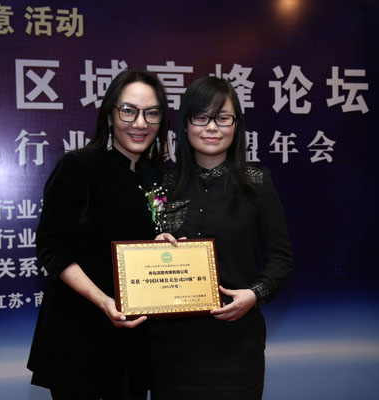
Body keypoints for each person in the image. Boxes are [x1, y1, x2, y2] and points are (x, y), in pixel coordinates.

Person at [27, 69, 169, 399]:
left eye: (151, 113)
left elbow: (155, 240)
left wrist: (165, 246)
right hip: (80, 338)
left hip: (135, 343)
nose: (140, 123)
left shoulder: (157, 176)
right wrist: (104, 301)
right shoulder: (78, 167)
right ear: (109, 115)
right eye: (128, 111)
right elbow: (52, 248)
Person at [150, 76, 293, 400]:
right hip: (172, 349)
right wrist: (152, 248)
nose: (212, 127)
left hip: (236, 346)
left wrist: (254, 295)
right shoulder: (162, 184)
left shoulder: (257, 183)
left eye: (223, 118)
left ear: (236, 125)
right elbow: (141, 252)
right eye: (201, 117)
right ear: (185, 125)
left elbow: (280, 259)